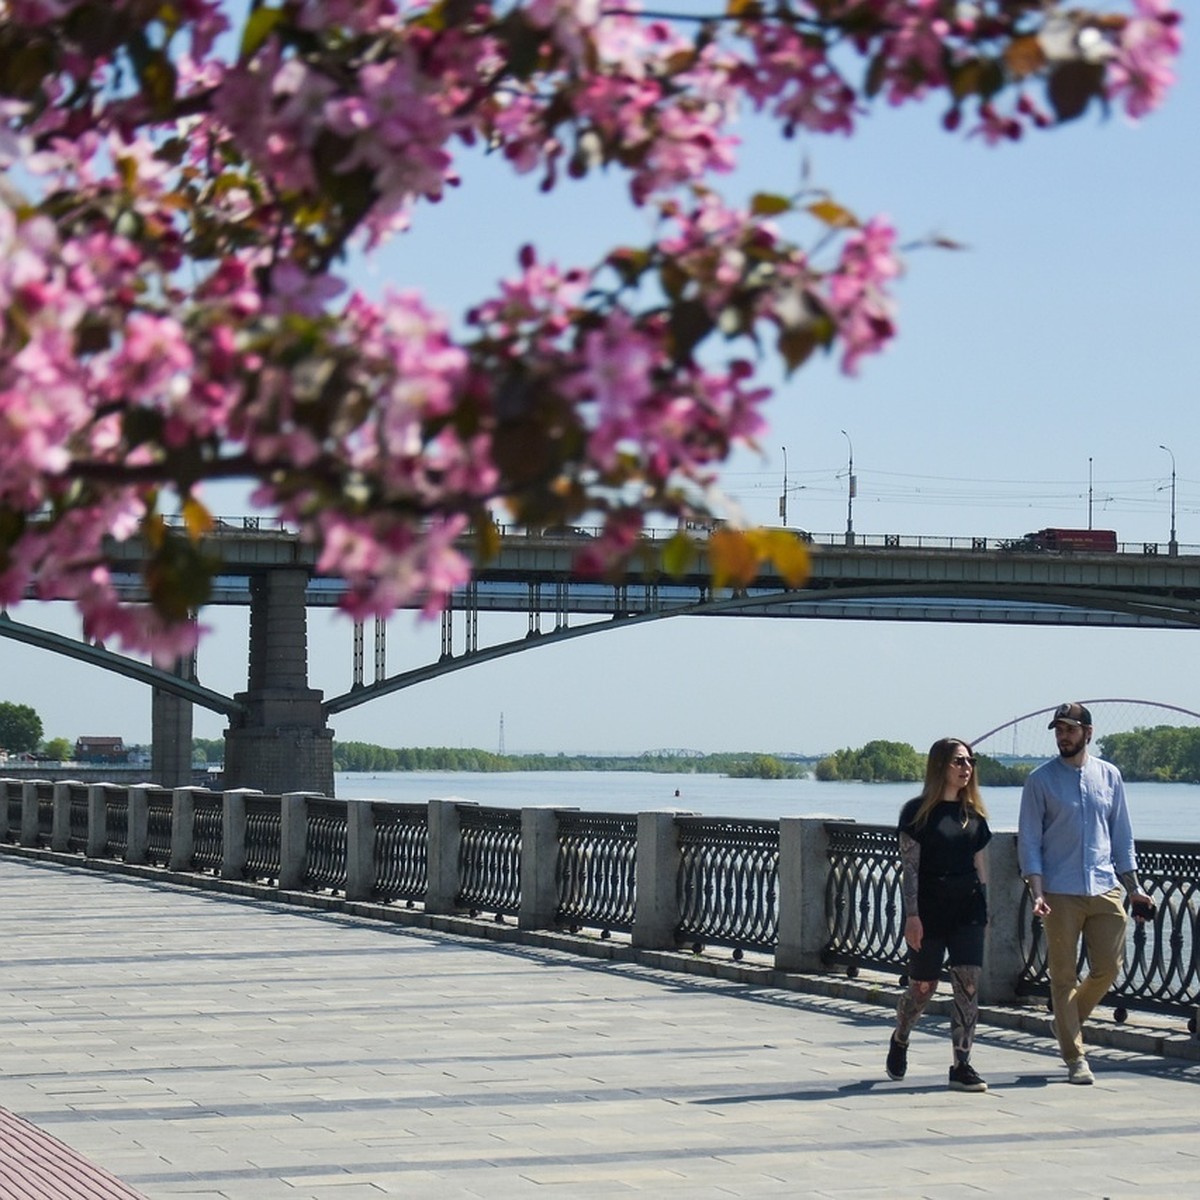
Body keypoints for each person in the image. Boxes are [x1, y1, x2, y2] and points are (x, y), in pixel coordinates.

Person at [1017, 702, 1153, 1085]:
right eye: (1059, 730)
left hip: (1104, 886)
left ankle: (1065, 1022)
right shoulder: (1039, 780)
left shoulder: (1109, 776)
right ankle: (1076, 1058)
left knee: (1109, 968)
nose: (1063, 736)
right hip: (1058, 891)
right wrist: (1036, 890)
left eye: (1070, 729)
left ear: (1087, 734)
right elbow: (1029, 841)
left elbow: (1122, 835)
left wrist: (1135, 888)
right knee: (1063, 976)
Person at [886, 737, 991, 1093]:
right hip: (929, 909)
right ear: (940, 766)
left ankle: (961, 1065)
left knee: (969, 986)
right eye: (959, 761)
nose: (966, 768)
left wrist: (985, 909)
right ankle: (901, 1036)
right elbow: (909, 869)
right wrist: (912, 916)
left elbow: (980, 866)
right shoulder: (917, 814)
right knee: (923, 988)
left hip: (968, 910)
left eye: (970, 762)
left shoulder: (973, 816)